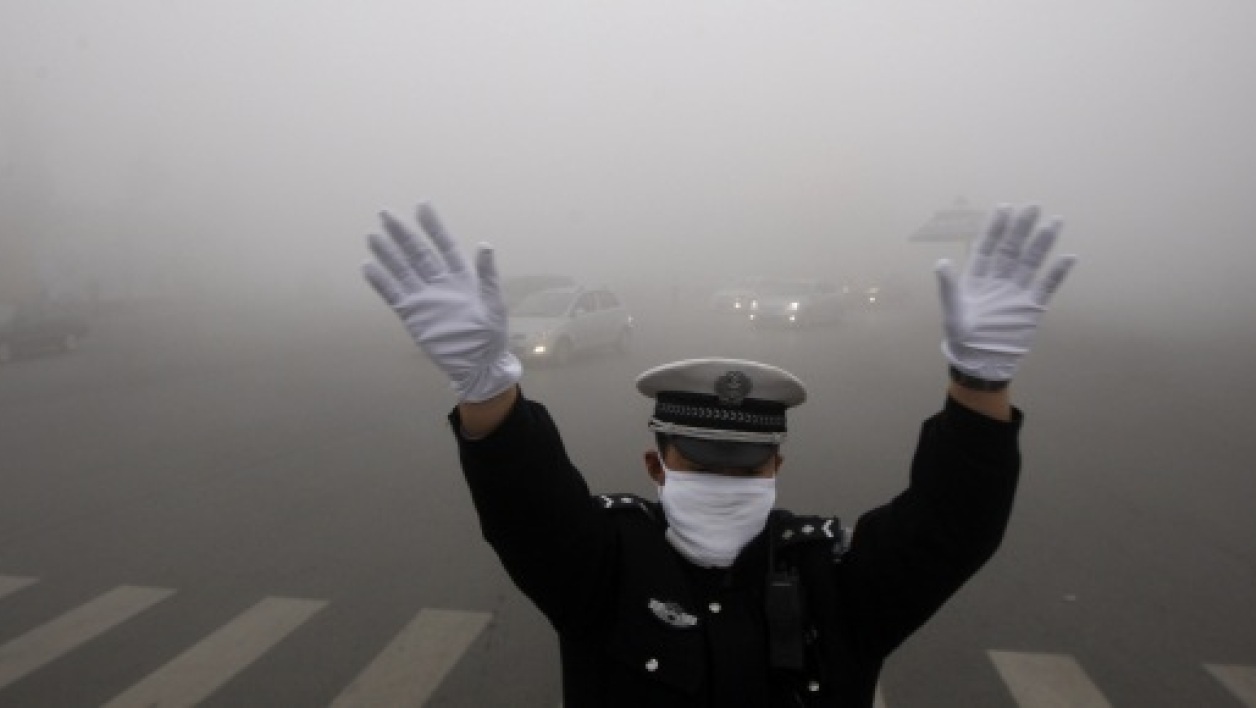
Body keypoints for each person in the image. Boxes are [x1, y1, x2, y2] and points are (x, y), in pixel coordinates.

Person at [361, 202, 1077, 707]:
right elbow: (526, 503)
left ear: (776, 469)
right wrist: (484, 387)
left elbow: (953, 526)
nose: (726, 477)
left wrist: (981, 383)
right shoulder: (604, 570)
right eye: (701, 459)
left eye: (745, 464)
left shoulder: (835, 582)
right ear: (656, 467)